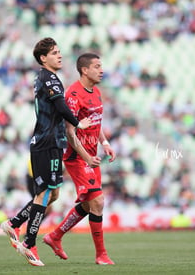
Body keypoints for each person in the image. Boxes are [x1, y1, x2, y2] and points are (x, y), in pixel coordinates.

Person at [0, 37, 91, 266]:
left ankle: (13, 224)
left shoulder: (49, 77)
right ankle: (29, 243)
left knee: (54, 194)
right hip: (46, 141)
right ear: (43, 58)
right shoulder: (48, 78)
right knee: (45, 193)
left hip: (52, 141)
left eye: (60, 52)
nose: (59, 55)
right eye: (54, 53)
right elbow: (60, 106)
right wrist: (79, 124)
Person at [42, 53, 116, 265]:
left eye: (101, 66)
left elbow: (96, 122)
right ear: (84, 70)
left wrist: (105, 144)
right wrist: (86, 157)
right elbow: (69, 132)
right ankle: (101, 255)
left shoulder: (97, 92)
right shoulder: (73, 95)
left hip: (91, 155)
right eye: (97, 66)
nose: (101, 70)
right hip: (77, 156)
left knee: (89, 204)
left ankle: (55, 237)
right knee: (98, 202)